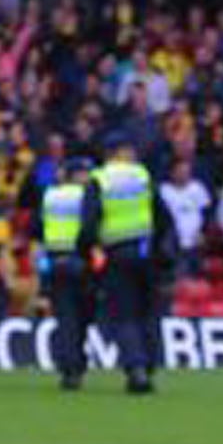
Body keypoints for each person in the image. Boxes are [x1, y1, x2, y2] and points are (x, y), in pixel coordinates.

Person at [83, 135, 158, 393]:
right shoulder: (141, 175)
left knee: (124, 313)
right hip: (145, 251)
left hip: (117, 253)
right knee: (146, 310)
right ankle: (149, 364)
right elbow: (160, 213)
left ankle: (136, 369)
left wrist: (88, 249)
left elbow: (90, 221)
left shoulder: (100, 179)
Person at [37, 154, 94, 390]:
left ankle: (69, 367)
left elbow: (38, 228)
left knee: (66, 317)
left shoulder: (50, 196)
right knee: (81, 317)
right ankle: (75, 364)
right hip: (81, 260)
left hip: (55, 260)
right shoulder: (87, 196)